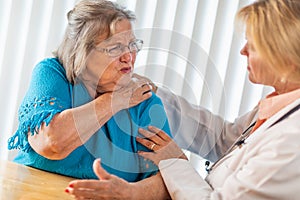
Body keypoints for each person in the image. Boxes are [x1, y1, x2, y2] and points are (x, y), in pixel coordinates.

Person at [65, 0, 300, 199]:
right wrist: (153, 91)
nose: (243, 50)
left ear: (287, 55)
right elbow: (224, 140)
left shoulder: (291, 143)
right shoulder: (280, 106)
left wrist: (175, 161)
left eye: (255, 45)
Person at [7, 0, 171, 183]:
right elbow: (51, 143)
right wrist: (114, 101)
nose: (129, 57)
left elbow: (166, 179)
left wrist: (130, 194)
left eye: (132, 45)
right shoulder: (53, 74)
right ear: (83, 50)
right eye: (115, 47)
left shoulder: (145, 101)